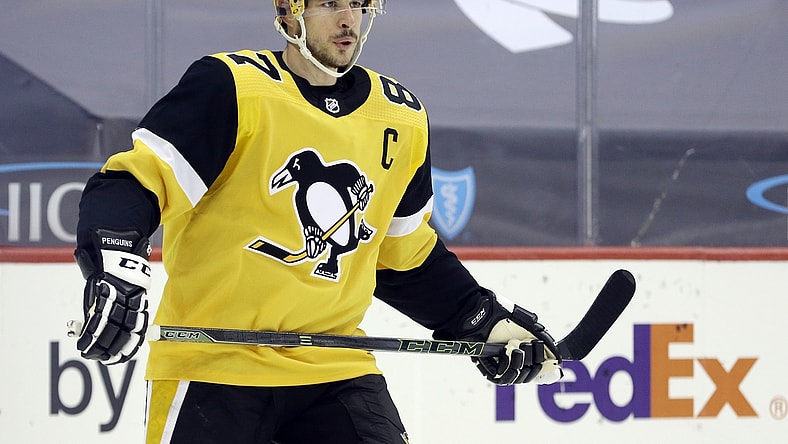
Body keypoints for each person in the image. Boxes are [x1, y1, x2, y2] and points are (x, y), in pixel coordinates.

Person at [73, 1, 563, 442]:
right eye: (331, 3)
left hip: (334, 368)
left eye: (358, 4)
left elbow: (400, 256)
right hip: (214, 367)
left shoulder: (400, 117)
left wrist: (479, 319)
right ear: (289, 11)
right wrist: (115, 259)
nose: (349, 19)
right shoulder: (233, 88)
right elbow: (134, 183)